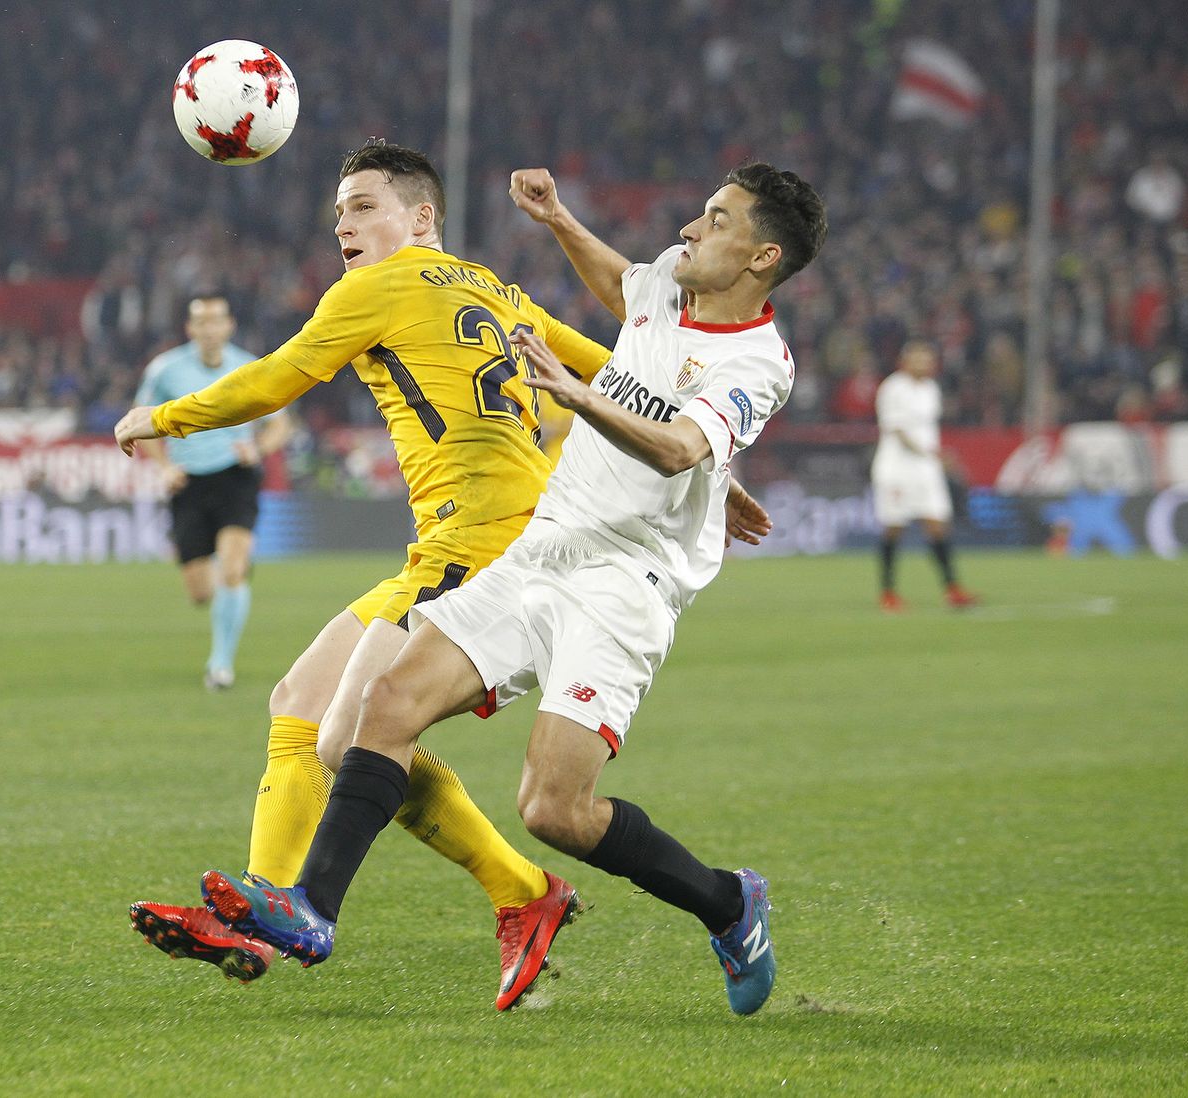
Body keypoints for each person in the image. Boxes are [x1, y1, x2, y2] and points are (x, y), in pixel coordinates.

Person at [195, 159, 826, 1017]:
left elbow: (679, 450)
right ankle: (311, 910)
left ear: (763, 257)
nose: (690, 229)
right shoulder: (668, 288)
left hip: (625, 582)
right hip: (542, 549)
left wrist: (578, 394)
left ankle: (727, 903)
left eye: (716, 221)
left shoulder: (760, 362)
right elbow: (621, 283)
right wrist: (560, 219)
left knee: (554, 808)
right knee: (385, 704)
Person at [115, 140, 617, 1009]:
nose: (343, 224)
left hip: (483, 547)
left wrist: (163, 417)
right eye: (339, 212)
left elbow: (278, 377)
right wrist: (696, 460)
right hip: (459, 544)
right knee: (297, 704)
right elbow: (613, 372)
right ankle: (264, 914)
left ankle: (512, 893)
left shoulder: (378, 287)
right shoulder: (494, 288)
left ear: (420, 218)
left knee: (353, 737)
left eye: (363, 206)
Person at [134, 294, 293, 690]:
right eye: (201, 321)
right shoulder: (166, 369)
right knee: (201, 591)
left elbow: (281, 426)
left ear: (229, 325)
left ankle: (220, 665)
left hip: (235, 477)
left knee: (233, 569)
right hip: (188, 482)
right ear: (190, 329)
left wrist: (257, 449)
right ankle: (224, 580)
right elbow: (142, 421)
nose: (209, 328)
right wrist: (165, 467)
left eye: (216, 320)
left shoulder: (250, 367)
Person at [870, 340, 977, 611]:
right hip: (896, 468)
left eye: (928, 358)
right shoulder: (893, 388)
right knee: (894, 528)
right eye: (919, 358)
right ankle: (888, 592)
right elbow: (898, 432)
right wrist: (934, 454)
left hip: (926, 469)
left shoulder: (930, 389)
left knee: (937, 524)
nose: (926, 363)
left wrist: (933, 457)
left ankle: (953, 588)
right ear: (905, 361)